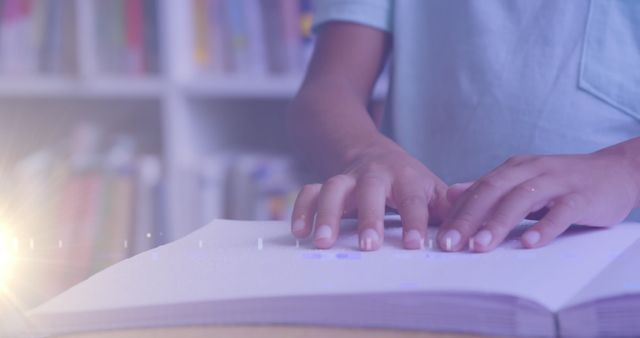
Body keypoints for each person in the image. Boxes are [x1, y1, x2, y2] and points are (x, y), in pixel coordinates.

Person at [286, 0, 640, 252]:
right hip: (415, 244)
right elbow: (327, 89)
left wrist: (629, 167)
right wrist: (364, 152)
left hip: (611, 252)